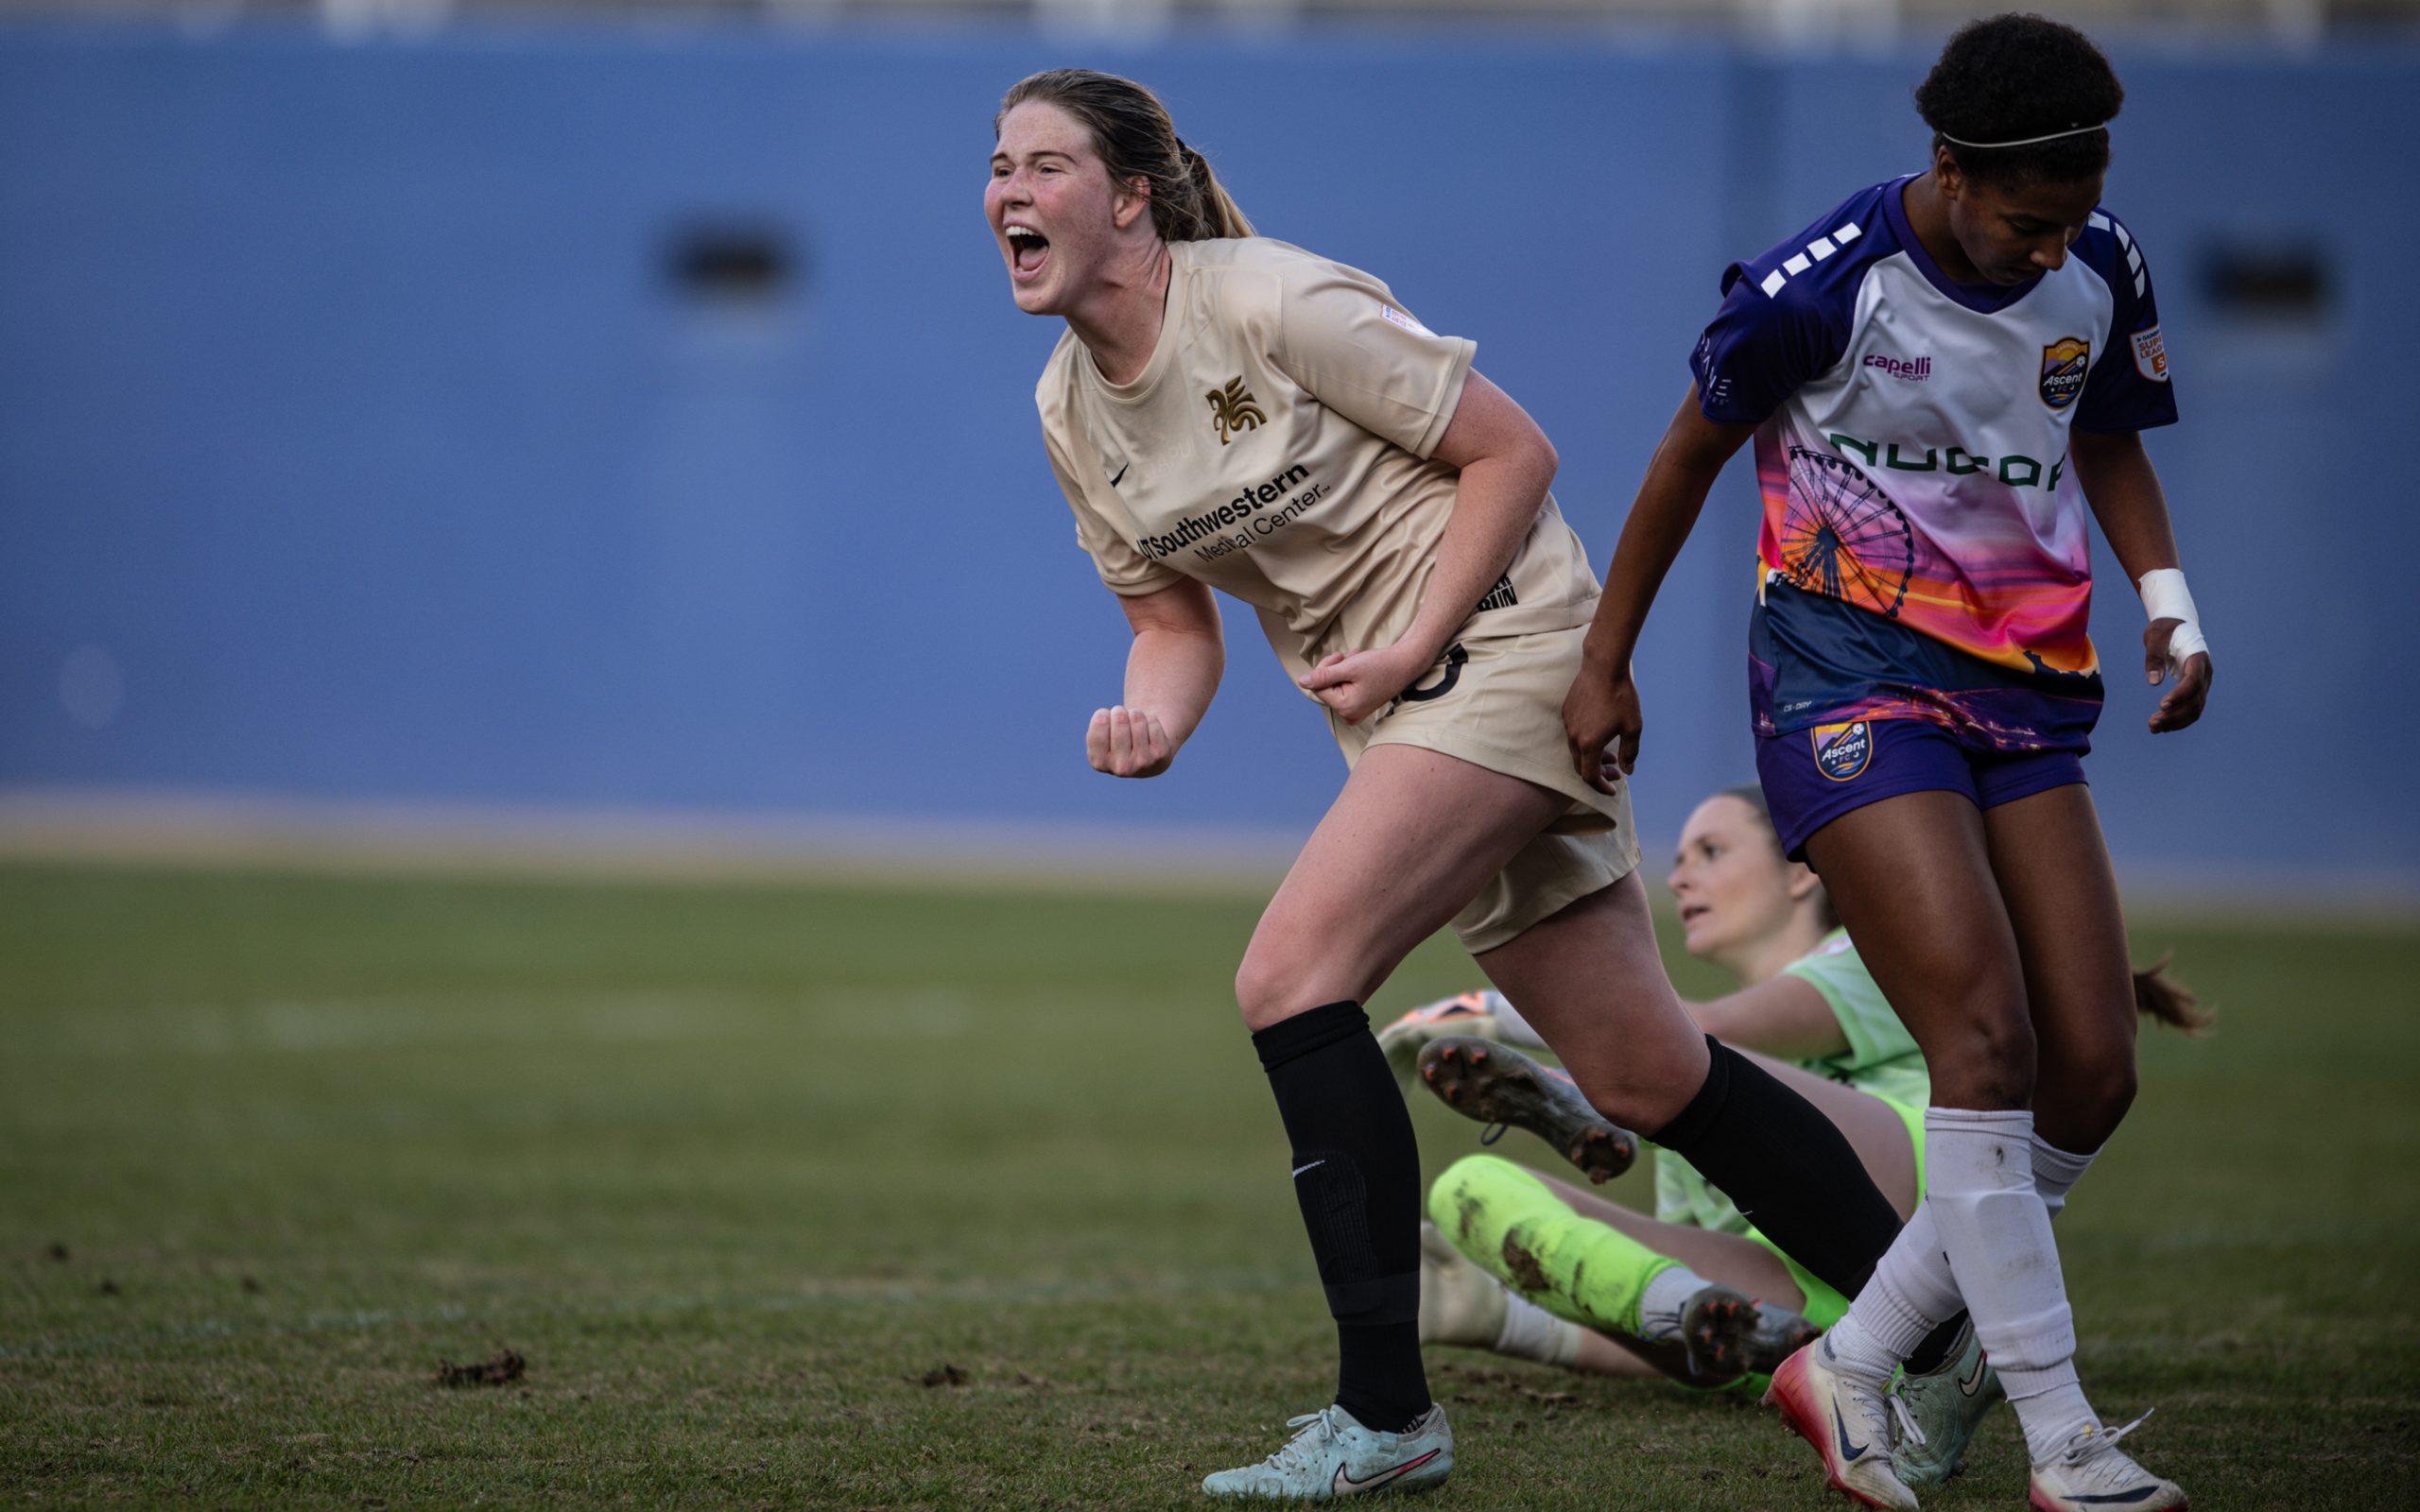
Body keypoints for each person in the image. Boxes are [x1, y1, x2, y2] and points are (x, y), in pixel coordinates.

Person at [991, 67, 1916, 1501]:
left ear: (1126, 200)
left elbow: (1513, 451)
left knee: (1290, 975)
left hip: (1511, 654)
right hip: (1413, 715)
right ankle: (1948, 1335)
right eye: (998, 168)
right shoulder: (1068, 408)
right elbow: (1170, 624)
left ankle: (1387, 1417)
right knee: (1644, 1070)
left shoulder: (1271, 299)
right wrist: (1149, 721)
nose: (1006, 192)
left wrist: (1416, 636)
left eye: (1044, 166)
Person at [1559, 15, 2211, 1511]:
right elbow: (1684, 456)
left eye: (2072, 219)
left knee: (2091, 1071)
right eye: (2024, 222)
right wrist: (1608, 661)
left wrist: (2173, 613)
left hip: (2032, 692)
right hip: (1847, 679)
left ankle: (1851, 1362)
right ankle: (2065, 1440)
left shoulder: (2098, 264)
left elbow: (2107, 432)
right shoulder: (1825, 285)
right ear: (1949, 173)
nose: (2052, 252)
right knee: (1982, 1049)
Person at [1388, 783, 2202, 1486]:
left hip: (1922, 1209)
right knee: (1469, 1189)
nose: (1679, 875)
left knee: (1692, 1076)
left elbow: (1693, 1033)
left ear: (1801, 871)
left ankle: (1596, 1103)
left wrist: (1493, 1010)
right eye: (1679, 857)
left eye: (1712, 850)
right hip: (1824, 1284)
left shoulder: (1877, 956)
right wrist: (1513, 1319)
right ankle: (1722, 1336)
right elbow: (1709, 1286)